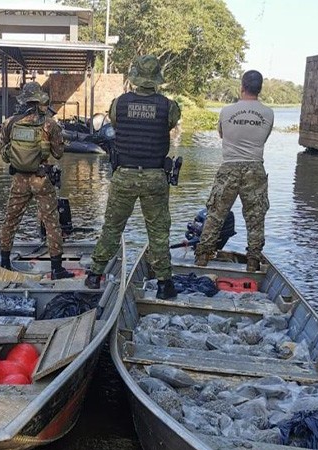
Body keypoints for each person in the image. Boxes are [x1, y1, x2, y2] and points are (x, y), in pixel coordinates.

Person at [84, 55, 181, 299]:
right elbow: (171, 124)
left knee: (112, 227)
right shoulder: (168, 106)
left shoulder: (119, 103)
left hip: (124, 175)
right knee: (158, 232)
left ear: (136, 77)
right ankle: (164, 285)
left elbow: (116, 124)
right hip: (154, 176)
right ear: (157, 78)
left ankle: (94, 275)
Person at [194, 70, 274, 272]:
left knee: (215, 214)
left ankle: (202, 257)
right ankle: (253, 261)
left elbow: (222, 135)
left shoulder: (226, 111)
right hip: (255, 167)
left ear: (242, 86)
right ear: (260, 88)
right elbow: (263, 139)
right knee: (255, 218)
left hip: (229, 166)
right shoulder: (268, 113)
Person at [0, 82, 74, 280]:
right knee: (51, 222)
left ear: (24, 100)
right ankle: (56, 269)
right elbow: (58, 154)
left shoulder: (9, 123)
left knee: (11, 219)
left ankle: (4, 263)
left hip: (19, 180)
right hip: (41, 179)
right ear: (38, 101)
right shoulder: (49, 124)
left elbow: (5, 155)